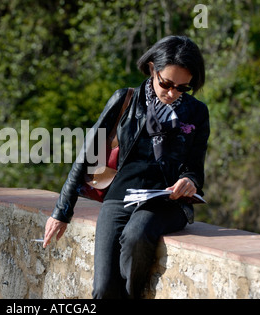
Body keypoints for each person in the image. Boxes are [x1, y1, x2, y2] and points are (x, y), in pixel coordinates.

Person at [42, 35, 210, 299]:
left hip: (166, 202)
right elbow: (87, 154)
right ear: (153, 69)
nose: (172, 93)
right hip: (119, 197)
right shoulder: (125, 100)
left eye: (182, 88)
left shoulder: (197, 112)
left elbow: (195, 168)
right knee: (103, 288)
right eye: (166, 84)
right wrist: (62, 212)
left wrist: (189, 180)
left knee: (136, 235)